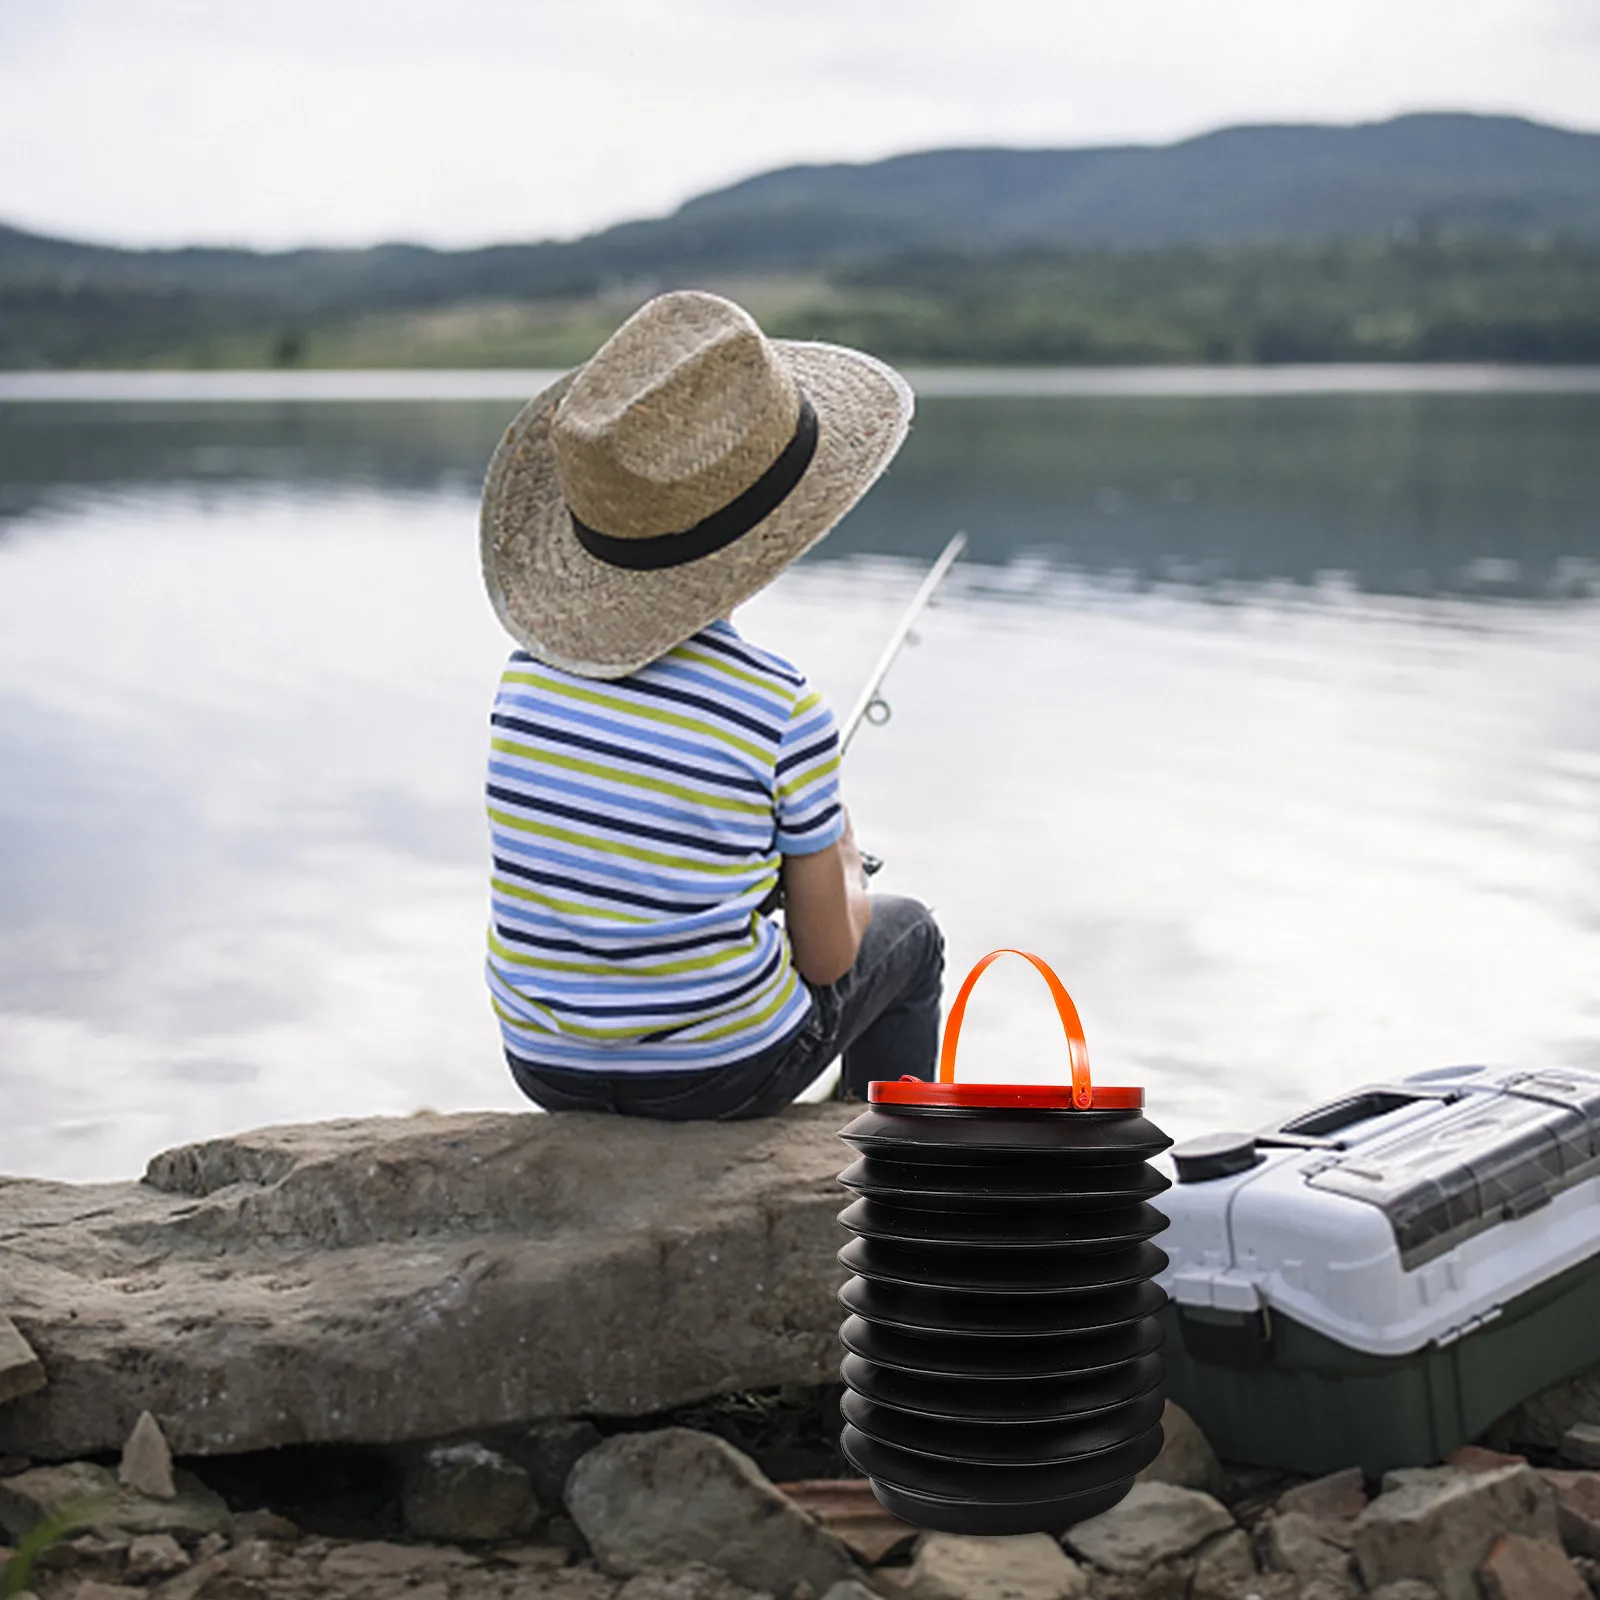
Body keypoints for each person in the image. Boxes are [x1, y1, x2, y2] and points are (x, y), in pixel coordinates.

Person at [477, 289, 944, 1119]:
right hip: (721, 1077)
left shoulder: (524, 681)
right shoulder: (779, 707)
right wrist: (841, 852)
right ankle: (882, 1159)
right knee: (910, 938)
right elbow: (833, 959)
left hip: (543, 1064)